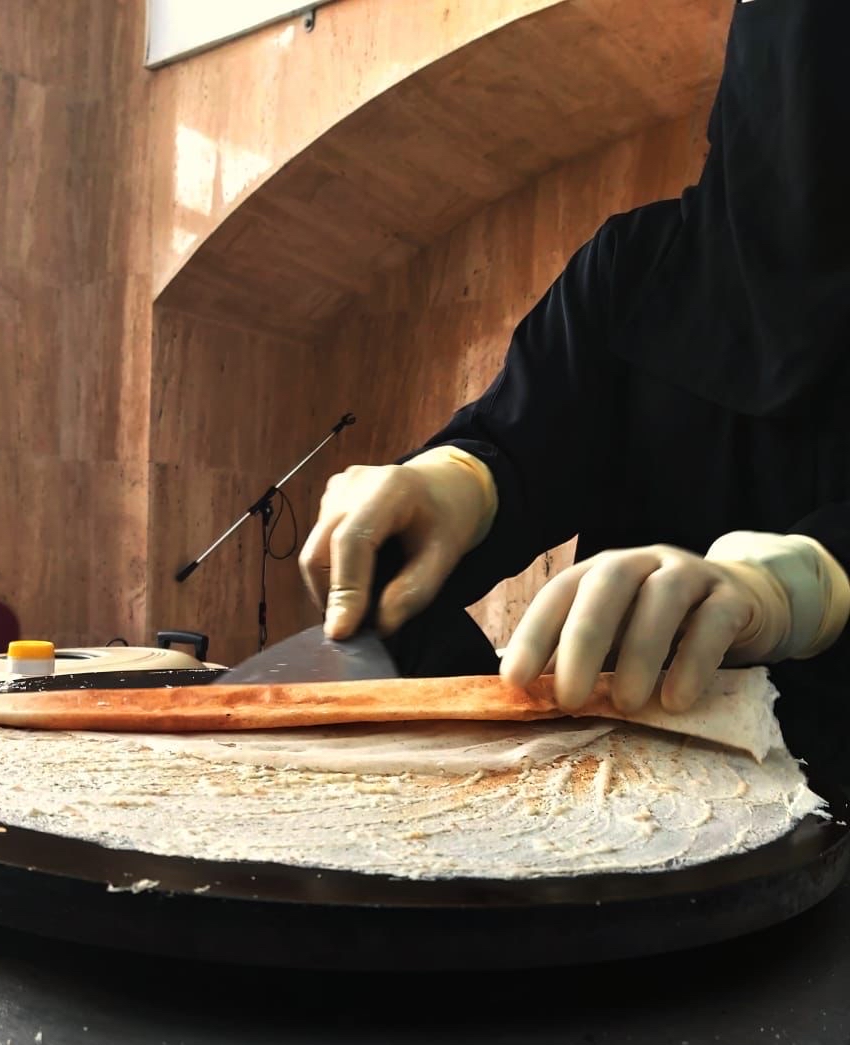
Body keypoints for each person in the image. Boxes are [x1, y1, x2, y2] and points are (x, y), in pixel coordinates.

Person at [298, 0, 850, 779]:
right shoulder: (640, 268)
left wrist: (813, 582)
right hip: (618, 782)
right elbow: (533, 436)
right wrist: (459, 480)